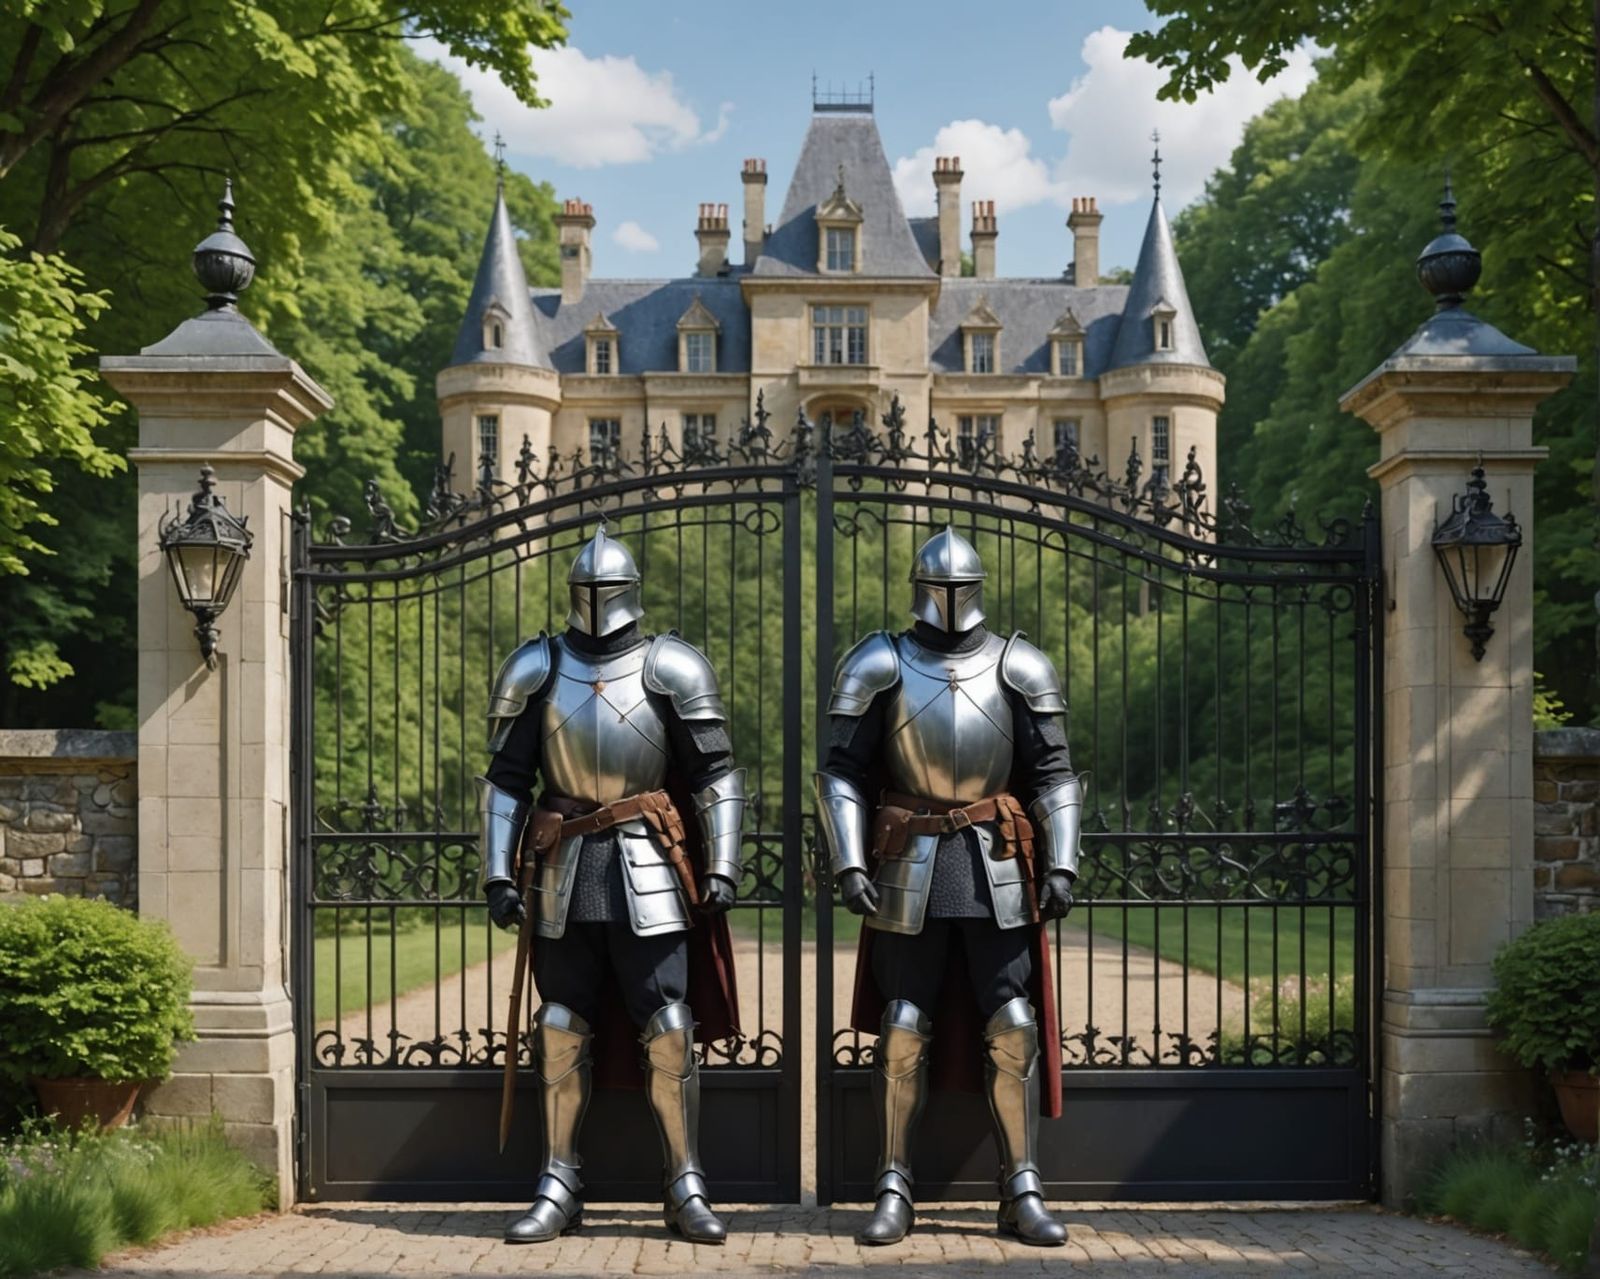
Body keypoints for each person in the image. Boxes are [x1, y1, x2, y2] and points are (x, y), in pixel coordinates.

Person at [813, 526, 1080, 1247]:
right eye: (944, 586)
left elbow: (1053, 772)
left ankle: (1020, 1183)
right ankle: (892, 1182)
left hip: (998, 860)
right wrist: (849, 860)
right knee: (902, 1025)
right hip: (910, 864)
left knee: (1015, 1023)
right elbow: (839, 768)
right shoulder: (880, 661)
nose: (953, 598)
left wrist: (1061, 862)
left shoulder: (1020, 664)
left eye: (964, 587)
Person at [479, 526, 744, 1245]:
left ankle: (684, 1180)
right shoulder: (536, 666)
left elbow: (717, 772)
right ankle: (559, 1179)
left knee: (669, 1025)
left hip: (650, 864)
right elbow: (506, 778)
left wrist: (721, 863)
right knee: (560, 1025)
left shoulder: (672, 667)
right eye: (586, 589)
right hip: (563, 868)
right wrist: (498, 870)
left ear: (627, 591)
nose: (597, 600)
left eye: (606, 589)